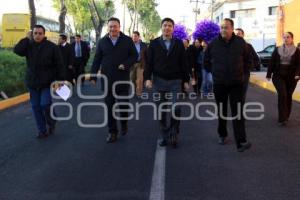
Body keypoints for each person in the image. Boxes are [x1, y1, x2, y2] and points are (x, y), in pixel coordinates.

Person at [204, 18, 251, 152]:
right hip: (220, 84)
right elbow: (206, 62)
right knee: (222, 111)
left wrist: (243, 73)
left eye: (226, 27)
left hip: (236, 83)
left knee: (238, 112)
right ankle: (222, 134)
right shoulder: (213, 44)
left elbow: (248, 60)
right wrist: (215, 73)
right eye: (222, 27)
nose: (223, 30)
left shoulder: (240, 42)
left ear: (232, 29)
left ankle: (241, 142)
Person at [90, 17, 138, 143]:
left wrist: (126, 64)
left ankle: (124, 123)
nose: (113, 29)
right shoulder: (102, 42)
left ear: (119, 27)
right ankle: (112, 132)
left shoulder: (127, 40)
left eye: (115, 26)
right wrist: (93, 75)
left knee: (123, 106)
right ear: (108, 27)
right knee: (109, 108)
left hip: (122, 81)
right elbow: (97, 59)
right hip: (107, 81)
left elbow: (134, 55)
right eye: (110, 26)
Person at [144, 18, 190, 148]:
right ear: (161, 27)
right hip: (159, 81)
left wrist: (186, 80)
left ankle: (174, 132)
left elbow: (184, 63)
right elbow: (149, 63)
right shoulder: (154, 44)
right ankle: (165, 135)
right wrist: (147, 78)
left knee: (176, 108)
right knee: (161, 110)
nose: (167, 28)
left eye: (170, 26)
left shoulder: (179, 44)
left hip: (176, 81)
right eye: (165, 25)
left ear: (173, 28)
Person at [14, 25, 65, 139]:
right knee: (36, 107)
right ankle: (42, 130)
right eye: (35, 33)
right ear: (32, 34)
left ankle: (52, 121)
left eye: (40, 33)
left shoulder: (52, 47)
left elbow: (59, 64)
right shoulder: (28, 45)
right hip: (33, 82)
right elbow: (17, 50)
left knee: (45, 104)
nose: (37, 35)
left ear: (44, 34)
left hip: (47, 82)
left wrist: (60, 80)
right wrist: (26, 39)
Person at [266, 32, 300, 126]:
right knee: (282, 94)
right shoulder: (277, 49)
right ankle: (282, 118)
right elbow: (272, 62)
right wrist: (269, 74)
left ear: (292, 39)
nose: (286, 39)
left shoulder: (297, 50)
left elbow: (299, 64)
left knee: (288, 95)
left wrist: (297, 74)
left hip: (292, 77)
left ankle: (286, 115)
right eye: (284, 37)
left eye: (288, 37)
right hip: (278, 75)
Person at [235, 28, 260, 102]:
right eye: (236, 34)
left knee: (242, 93)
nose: (237, 35)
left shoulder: (248, 46)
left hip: (244, 73)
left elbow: (256, 58)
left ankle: (240, 110)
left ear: (243, 35)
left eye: (239, 33)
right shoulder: (230, 46)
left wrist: (251, 67)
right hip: (232, 74)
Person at [131, 31, 147, 97]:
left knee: (139, 79)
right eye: (133, 36)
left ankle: (139, 93)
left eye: (135, 36)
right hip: (132, 64)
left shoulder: (143, 45)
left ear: (138, 37)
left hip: (140, 64)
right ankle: (134, 91)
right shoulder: (129, 45)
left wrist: (147, 64)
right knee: (132, 79)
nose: (134, 38)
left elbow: (147, 55)